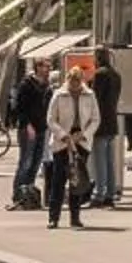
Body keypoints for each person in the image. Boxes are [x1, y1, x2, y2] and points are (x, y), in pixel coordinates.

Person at [44, 62, 100, 231]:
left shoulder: (89, 95)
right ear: (68, 80)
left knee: (77, 180)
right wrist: (63, 135)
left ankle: (75, 218)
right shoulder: (59, 95)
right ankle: (54, 217)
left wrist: (84, 134)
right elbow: (51, 119)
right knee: (58, 180)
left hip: (81, 141)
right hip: (62, 142)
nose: (75, 85)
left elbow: (96, 119)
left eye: (77, 81)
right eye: (72, 81)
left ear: (82, 81)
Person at [7, 58, 49, 209]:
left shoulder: (45, 85)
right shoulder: (27, 84)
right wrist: (27, 125)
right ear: (38, 67)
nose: (48, 69)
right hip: (28, 128)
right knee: (26, 161)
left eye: (49, 66)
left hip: (42, 127)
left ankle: (29, 193)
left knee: (36, 162)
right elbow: (20, 108)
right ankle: (18, 193)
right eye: (45, 66)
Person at [87, 50, 124, 207]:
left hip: (100, 123)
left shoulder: (100, 74)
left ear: (98, 58)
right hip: (112, 122)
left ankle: (99, 194)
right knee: (110, 161)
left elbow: (95, 99)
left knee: (100, 161)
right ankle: (110, 193)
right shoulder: (116, 75)